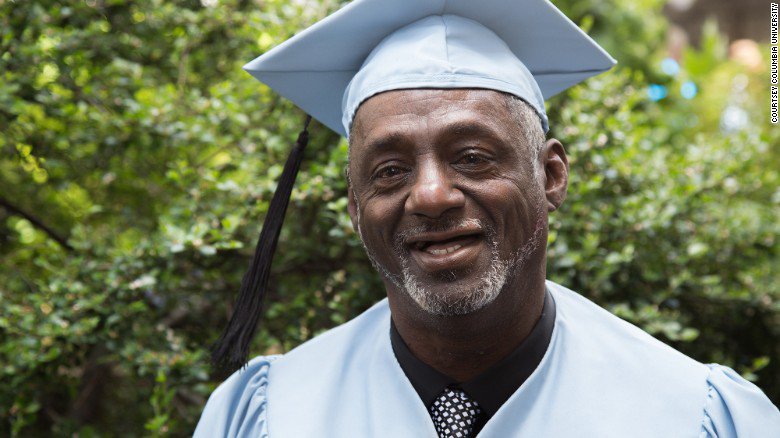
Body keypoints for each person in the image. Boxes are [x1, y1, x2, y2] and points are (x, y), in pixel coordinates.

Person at [195, 0, 780, 436]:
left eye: (472, 157)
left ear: (551, 176)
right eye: (390, 170)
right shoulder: (270, 417)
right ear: (354, 206)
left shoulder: (691, 415)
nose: (430, 196)